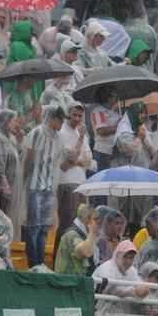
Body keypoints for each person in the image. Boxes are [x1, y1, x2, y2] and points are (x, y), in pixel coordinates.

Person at [23, 105, 65, 267]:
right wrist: (24, 181)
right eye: (60, 119)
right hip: (34, 186)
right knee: (33, 227)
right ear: (52, 118)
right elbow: (28, 158)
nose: (62, 123)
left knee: (44, 228)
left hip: (48, 187)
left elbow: (55, 162)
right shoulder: (36, 132)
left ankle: (40, 263)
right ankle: (33, 263)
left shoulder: (57, 138)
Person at [56, 101, 92, 244]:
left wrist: (76, 160)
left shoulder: (80, 132)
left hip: (81, 182)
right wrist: (80, 142)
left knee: (81, 222)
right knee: (67, 222)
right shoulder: (62, 132)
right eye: (74, 115)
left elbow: (89, 159)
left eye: (80, 116)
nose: (77, 119)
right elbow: (68, 162)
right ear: (68, 115)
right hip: (66, 182)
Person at [93, 240, 150, 311]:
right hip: (98, 310)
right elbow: (112, 290)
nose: (128, 261)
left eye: (131, 258)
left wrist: (143, 290)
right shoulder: (107, 269)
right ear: (117, 255)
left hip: (120, 314)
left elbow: (139, 285)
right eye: (125, 257)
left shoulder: (131, 270)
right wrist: (133, 292)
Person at [55, 204, 99, 275]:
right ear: (88, 219)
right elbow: (85, 252)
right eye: (95, 219)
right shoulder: (72, 234)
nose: (98, 223)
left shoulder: (84, 233)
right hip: (69, 282)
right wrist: (92, 231)